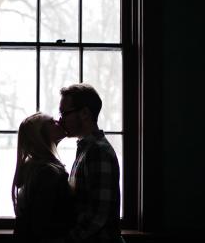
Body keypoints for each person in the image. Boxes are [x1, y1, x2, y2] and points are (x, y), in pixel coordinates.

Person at [58, 83, 124, 243]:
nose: (61, 119)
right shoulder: (86, 149)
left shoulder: (97, 151)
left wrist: (67, 240)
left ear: (85, 113)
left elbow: (97, 216)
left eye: (65, 113)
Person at [12, 112, 76, 243]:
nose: (59, 121)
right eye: (52, 122)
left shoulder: (37, 169)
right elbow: (42, 226)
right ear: (40, 135)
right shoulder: (48, 172)